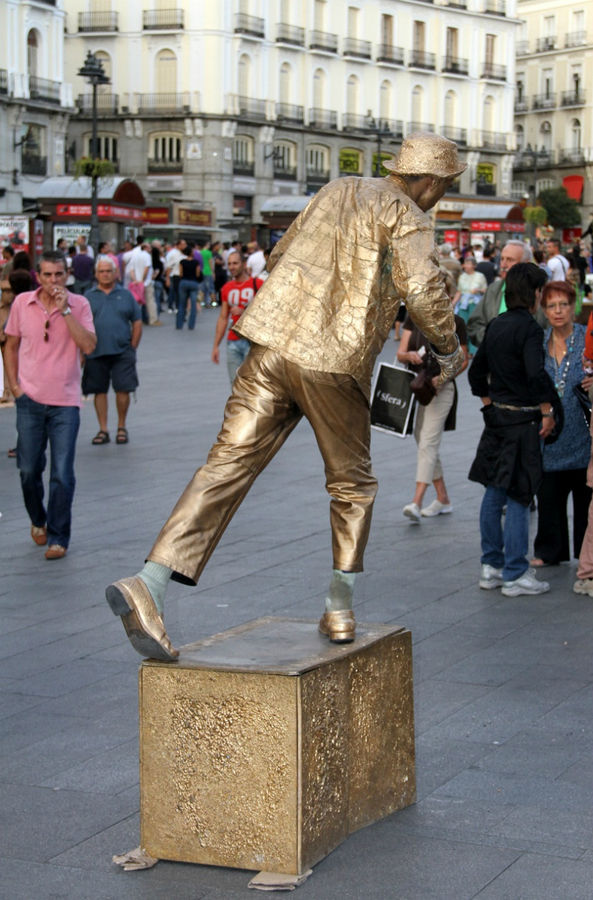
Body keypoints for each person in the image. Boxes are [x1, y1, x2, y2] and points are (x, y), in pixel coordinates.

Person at [105, 132, 466, 662]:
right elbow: (424, 289)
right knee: (353, 485)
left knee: (226, 463)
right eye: (444, 186)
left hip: (272, 346)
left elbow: (279, 254)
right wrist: (451, 351)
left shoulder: (337, 189)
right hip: (334, 361)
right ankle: (339, 606)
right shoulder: (409, 214)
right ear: (431, 181)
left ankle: (151, 581)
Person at [468, 263, 560, 597]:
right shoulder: (530, 329)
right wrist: (549, 408)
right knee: (520, 495)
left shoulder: (497, 325)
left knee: (494, 493)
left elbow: (476, 374)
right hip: (523, 422)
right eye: (540, 291)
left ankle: (491, 566)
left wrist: (489, 405)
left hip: (499, 422)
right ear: (534, 293)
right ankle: (516, 572)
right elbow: (536, 374)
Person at [4, 251, 96, 559]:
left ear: (67, 274)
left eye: (58, 275)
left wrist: (66, 311)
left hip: (66, 402)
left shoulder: (80, 304)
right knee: (28, 469)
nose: (53, 281)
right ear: (38, 276)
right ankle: (37, 519)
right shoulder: (22, 303)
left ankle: (59, 536)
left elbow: (88, 346)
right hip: (29, 398)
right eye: (47, 275)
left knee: (62, 473)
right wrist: (14, 387)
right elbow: (11, 345)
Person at [398, 273, 469, 521]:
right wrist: (410, 357)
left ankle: (416, 501)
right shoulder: (414, 319)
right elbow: (400, 352)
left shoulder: (456, 322)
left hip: (441, 389)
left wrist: (443, 378)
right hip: (417, 387)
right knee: (423, 441)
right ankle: (443, 498)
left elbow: (463, 359)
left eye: (443, 294)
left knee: (428, 442)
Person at [531, 280, 592, 567]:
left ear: (573, 307)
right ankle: (549, 550)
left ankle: (586, 553)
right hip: (551, 434)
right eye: (551, 306)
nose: (558, 311)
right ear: (543, 310)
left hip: (582, 430)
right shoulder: (539, 342)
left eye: (563, 305)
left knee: (584, 496)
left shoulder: (585, 338)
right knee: (550, 494)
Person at [82, 258, 142, 446]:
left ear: (116, 273)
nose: (105, 274)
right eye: (101, 271)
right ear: (96, 274)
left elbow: (137, 320)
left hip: (122, 351)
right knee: (99, 391)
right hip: (96, 351)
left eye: (109, 271)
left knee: (123, 389)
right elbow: (81, 323)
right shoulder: (88, 296)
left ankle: (121, 426)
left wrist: (133, 345)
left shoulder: (125, 295)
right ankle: (103, 429)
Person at [467, 240, 533, 349]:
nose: (503, 264)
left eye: (510, 260)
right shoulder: (494, 289)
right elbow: (474, 325)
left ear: (526, 264)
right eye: (502, 259)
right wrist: (491, 338)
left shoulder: (537, 292)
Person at [211, 250, 263, 383]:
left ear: (244, 264)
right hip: (232, 342)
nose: (232, 267)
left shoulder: (258, 284)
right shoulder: (227, 288)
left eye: (235, 263)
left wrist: (244, 312)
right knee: (235, 385)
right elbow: (223, 317)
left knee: (252, 384)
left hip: (252, 342)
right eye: (229, 264)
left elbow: (266, 313)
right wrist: (216, 345)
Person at [453, 255, 487, 355]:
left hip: (474, 303)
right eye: (465, 263)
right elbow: (459, 291)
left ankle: (473, 350)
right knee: (463, 326)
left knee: (473, 325)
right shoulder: (462, 277)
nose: (466, 266)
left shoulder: (480, 276)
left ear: (474, 266)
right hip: (463, 303)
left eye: (469, 264)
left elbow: (485, 289)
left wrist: (479, 290)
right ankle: (463, 348)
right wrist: (453, 303)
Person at [176, 246, 202, 330]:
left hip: (184, 282)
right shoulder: (196, 262)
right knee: (193, 305)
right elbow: (198, 274)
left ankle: (179, 325)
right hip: (193, 283)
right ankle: (191, 325)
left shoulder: (182, 262)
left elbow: (180, 273)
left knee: (182, 304)